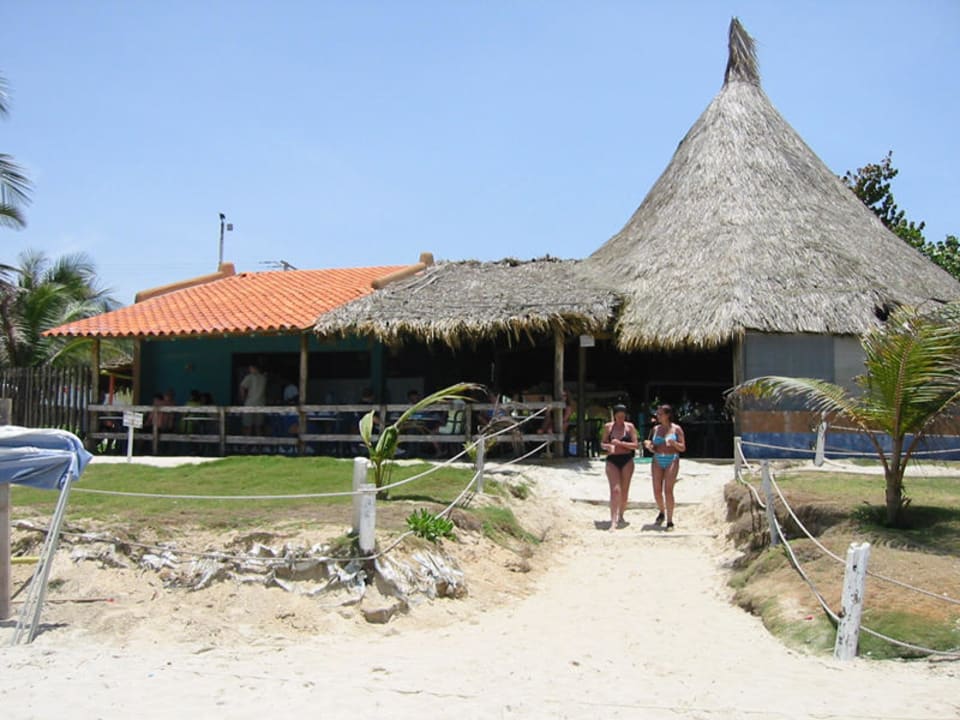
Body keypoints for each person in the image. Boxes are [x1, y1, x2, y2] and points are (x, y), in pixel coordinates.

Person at [643, 404, 686, 531]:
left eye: (660, 414)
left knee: (668, 490)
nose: (658, 416)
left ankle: (670, 520)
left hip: (671, 458)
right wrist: (649, 446)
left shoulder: (676, 429)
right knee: (657, 490)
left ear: (668, 415)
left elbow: (683, 447)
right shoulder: (655, 429)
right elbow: (653, 446)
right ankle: (662, 511)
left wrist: (674, 443)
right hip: (657, 458)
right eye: (657, 413)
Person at [601, 404, 639, 531]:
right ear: (614, 416)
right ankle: (613, 520)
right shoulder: (608, 427)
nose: (621, 419)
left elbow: (635, 445)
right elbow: (602, 443)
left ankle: (621, 514)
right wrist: (607, 446)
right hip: (612, 459)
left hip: (626, 459)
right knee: (615, 490)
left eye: (623, 416)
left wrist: (621, 443)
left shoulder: (630, 427)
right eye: (618, 417)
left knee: (624, 490)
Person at [239, 364, 267, 435]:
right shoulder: (264, 378)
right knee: (259, 426)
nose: (249, 370)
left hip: (250, 404)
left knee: (247, 426)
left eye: (250, 368)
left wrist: (243, 399)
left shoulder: (250, 377)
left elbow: (242, 387)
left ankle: (247, 441)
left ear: (255, 368)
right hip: (261, 404)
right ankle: (259, 440)